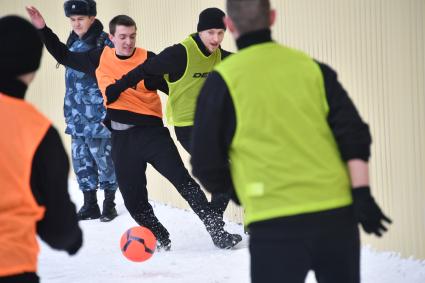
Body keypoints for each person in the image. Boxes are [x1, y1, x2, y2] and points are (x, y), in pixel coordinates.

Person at [191, 0, 392, 282]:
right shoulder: (313, 69)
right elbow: (353, 135)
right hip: (335, 215)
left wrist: (240, 192)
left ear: (231, 26)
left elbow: (205, 162)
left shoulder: (222, 82)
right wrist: (362, 194)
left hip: (273, 221)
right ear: (272, 17)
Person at [26, 7, 241, 250]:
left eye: (132, 36)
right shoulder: (98, 59)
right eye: (122, 37)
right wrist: (42, 29)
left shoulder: (148, 59)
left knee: (185, 184)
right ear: (112, 37)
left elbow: (177, 88)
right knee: (133, 201)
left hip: (153, 135)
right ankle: (161, 237)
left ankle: (216, 230)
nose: (128, 42)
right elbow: (63, 55)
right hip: (122, 139)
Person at [104, 7, 236, 221]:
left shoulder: (221, 56)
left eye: (221, 33)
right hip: (188, 127)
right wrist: (117, 87)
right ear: (200, 31)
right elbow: (145, 69)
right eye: (211, 32)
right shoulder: (179, 53)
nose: (216, 38)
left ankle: (215, 221)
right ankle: (215, 223)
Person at [0, 15, 82, 283]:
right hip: (10, 266)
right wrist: (72, 239)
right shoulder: (37, 131)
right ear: (33, 68)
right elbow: (57, 227)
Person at [56, 0, 119, 222]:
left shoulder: (104, 43)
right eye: (72, 20)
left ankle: (109, 204)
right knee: (81, 160)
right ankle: (89, 204)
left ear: (92, 18)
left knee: (104, 159)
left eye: (80, 19)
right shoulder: (72, 42)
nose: (76, 24)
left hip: (97, 116)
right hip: (75, 116)